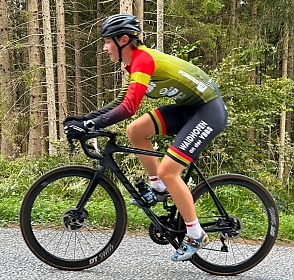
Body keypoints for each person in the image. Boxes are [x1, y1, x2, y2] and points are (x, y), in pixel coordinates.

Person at [63, 13, 228, 262]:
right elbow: (120, 101)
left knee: (169, 171)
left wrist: (90, 124)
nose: (105, 48)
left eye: (107, 41)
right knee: (135, 131)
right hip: (188, 108)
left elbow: (129, 108)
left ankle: (196, 234)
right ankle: (159, 188)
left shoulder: (143, 61)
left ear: (123, 40)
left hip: (208, 111)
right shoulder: (133, 64)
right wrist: (85, 119)